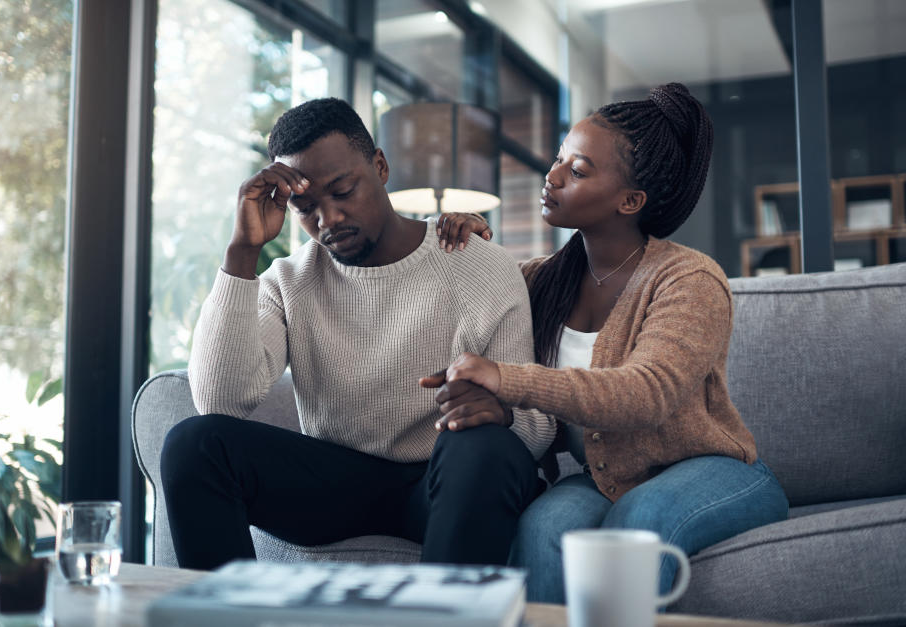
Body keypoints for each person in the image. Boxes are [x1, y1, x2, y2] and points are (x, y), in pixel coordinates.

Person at [423, 83, 788, 602]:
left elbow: (645, 394)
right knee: (544, 530)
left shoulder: (688, 279)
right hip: (600, 479)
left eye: (577, 171)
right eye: (558, 159)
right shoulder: (539, 281)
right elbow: (455, 308)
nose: (551, 177)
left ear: (630, 201)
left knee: (641, 520)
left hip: (714, 472)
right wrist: (471, 253)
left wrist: (508, 380)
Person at [159, 97, 555, 571]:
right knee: (194, 444)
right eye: (306, 207)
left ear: (381, 166)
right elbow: (220, 403)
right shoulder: (288, 281)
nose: (329, 220)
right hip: (336, 485)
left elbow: (537, 426)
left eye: (343, 190)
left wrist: (500, 413)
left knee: (482, 443)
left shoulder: (476, 263)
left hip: (447, 481)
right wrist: (242, 252)